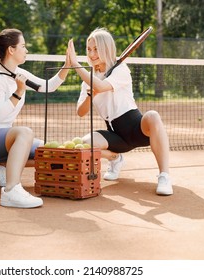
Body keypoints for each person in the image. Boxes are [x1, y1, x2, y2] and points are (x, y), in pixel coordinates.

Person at [0, 28, 70, 208]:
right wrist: (18, 91)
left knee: (48, 151)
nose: (26, 50)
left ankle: (0, 166)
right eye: (23, 46)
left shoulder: (19, 73)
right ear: (11, 50)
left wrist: (67, 65)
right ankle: (11, 190)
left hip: (3, 139)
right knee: (24, 133)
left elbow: (48, 86)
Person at [66, 27, 173, 195]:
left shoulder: (120, 69)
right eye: (89, 49)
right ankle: (115, 158)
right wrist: (89, 95)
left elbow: (101, 86)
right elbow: (81, 112)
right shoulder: (88, 80)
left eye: (96, 49)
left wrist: (76, 65)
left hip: (136, 128)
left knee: (153, 116)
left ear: (106, 49)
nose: (92, 53)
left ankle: (164, 176)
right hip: (115, 135)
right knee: (84, 144)